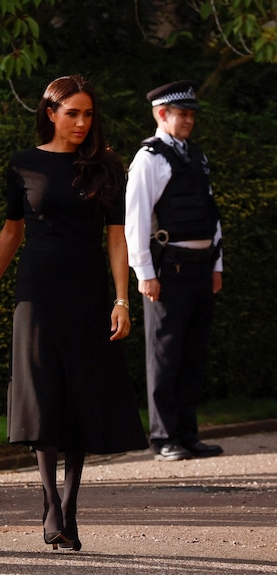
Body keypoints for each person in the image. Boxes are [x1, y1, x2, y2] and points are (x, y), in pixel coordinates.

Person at [0, 75, 147, 552]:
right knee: (41, 396)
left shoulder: (106, 167)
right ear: (51, 113)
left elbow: (117, 238)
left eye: (88, 114)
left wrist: (122, 300)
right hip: (35, 295)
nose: (82, 122)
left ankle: (70, 509)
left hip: (87, 294)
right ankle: (51, 507)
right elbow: (11, 231)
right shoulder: (22, 165)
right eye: (72, 113)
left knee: (80, 396)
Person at [125, 81, 224, 462]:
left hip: (200, 267)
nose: (188, 121)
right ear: (161, 114)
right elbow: (135, 220)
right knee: (165, 354)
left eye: (191, 115)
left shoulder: (195, 156)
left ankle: (187, 434)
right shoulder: (149, 158)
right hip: (169, 269)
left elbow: (211, 214)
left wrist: (217, 264)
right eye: (182, 114)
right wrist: (144, 273)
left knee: (193, 354)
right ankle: (163, 437)